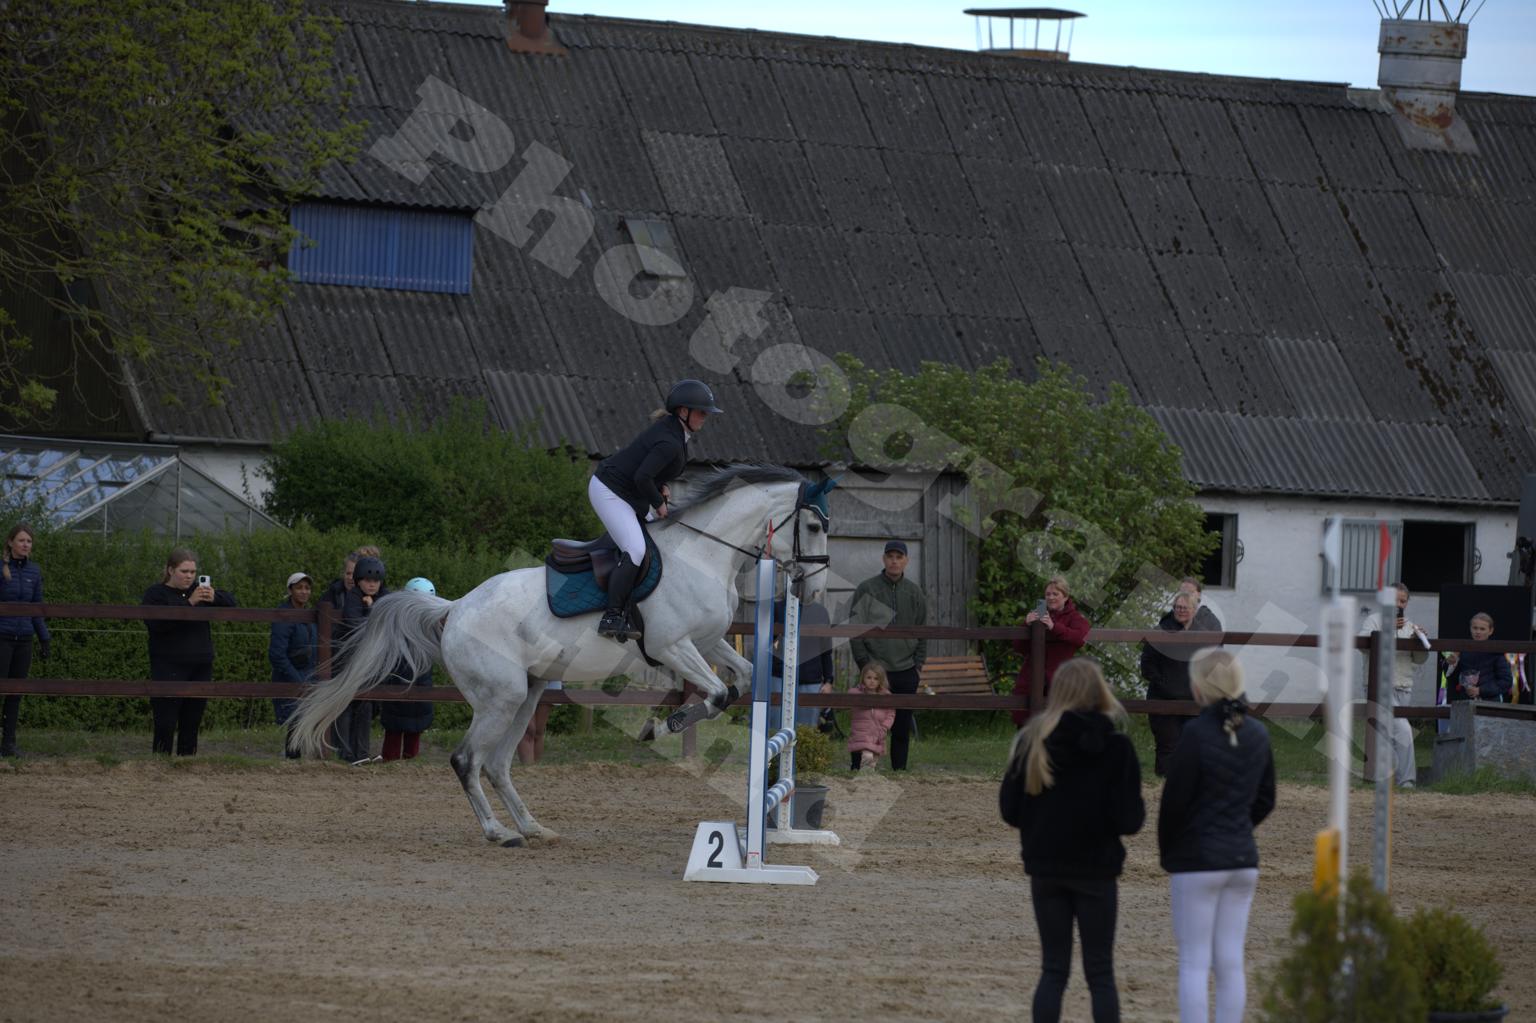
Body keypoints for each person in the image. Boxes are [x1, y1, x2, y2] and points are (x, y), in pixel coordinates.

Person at [1000, 657, 1145, 1023]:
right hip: (1096, 869)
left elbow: (1010, 810)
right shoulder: (1117, 748)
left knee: (1053, 970)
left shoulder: (1033, 741)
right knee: (1100, 972)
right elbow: (1131, 820)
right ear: (1100, 692)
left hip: (1046, 869)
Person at [1159, 648, 1276, 1023]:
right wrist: (1238, 827)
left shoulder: (1194, 734)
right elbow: (1266, 798)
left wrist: (1169, 852)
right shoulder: (1258, 733)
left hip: (1198, 861)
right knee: (1230, 961)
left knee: (1194, 961)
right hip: (1242, 859)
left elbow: (1174, 802)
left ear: (1199, 688)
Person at [589, 378, 722, 640]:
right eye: (701, 412)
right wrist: (659, 503)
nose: (705, 417)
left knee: (657, 542)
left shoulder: (675, 432)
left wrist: (660, 486)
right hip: (609, 491)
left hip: (628, 493)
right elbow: (642, 477)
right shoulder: (670, 441)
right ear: (683, 411)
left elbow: (648, 469)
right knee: (636, 549)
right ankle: (612, 615)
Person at [141, 548, 237, 756]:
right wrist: (190, 603)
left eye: (193, 572)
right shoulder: (156, 594)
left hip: (200, 664)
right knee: (165, 721)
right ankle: (160, 762)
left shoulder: (200, 591)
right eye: (184, 571)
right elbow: (157, 625)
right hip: (168, 664)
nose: (189, 576)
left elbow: (232, 603)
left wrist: (214, 596)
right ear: (170, 570)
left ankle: (187, 763)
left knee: (192, 721)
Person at [848, 540, 927, 770]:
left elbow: (923, 630)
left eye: (899, 557)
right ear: (883, 559)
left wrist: (918, 665)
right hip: (874, 669)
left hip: (905, 669)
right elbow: (855, 628)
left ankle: (899, 769)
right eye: (890, 556)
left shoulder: (914, 592)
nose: (894, 561)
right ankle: (858, 768)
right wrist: (865, 664)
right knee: (866, 722)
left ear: (906, 561)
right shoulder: (867, 588)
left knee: (901, 725)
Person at [1361, 582, 1430, 787]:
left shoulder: (1410, 626)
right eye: (1394, 600)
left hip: (1404, 687)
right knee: (1403, 731)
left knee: (1388, 734)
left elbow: (1419, 660)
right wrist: (1388, 627)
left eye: (1403, 601)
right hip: (1379, 686)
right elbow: (1362, 644)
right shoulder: (1374, 620)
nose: (1399, 604)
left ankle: (1383, 778)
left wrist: (1418, 641)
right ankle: (1407, 781)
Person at [1011, 575, 1091, 728]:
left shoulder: (1074, 617)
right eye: (1048, 594)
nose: (1051, 597)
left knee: (1057, 723)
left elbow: (1080, 638)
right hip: (1032, 674)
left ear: (1065, 597)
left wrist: (1054, 627)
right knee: (1026, 722)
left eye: (1055, 594)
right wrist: (1026, 624)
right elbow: (1018, 647)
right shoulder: (1039, 613)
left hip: (1059, 676)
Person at [332, 554, 388, 764]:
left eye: (376, 580)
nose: (372, 584)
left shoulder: (384, 596)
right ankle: (345, 754)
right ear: (358, 581)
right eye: (367, 580)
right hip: (348, 660)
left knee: (366, 705)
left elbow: (388, 623)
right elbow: (357, 625)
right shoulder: (353, 596)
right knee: (345, 705)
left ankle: (362, 753)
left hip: (370, 662)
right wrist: (371, 609)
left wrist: (371, 608)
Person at [0, 523, 49, 758]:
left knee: (16, 693)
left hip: (24, 639)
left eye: (29, 541)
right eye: (21, 540)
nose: (25, 545)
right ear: (11, 542)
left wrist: (44, 638)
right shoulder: (1, 569)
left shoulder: (34, 571)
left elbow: (37, 607)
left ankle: (8, 744)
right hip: (2, 637)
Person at [1141, 591, 1199, 777]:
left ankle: (1189, 783)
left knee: (1192, 744)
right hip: (1163, 698)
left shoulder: (1203, 633)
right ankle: (1164, 784)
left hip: (1194, 700)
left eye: (1185, 607)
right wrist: (1164, 684)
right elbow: (1147, 665)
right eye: (1177, 607)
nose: (1180, 610)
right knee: (1168, 744)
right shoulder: (1161, 631)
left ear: (1194, 609)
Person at [380, 576, 437, 762]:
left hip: (419, 682)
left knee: (414, 728)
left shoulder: (430, 625)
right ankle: (391, 761)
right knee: (395, 728)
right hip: (398, 681)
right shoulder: (397, 624)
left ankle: (408, 762)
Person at [772, 580, 835, 729]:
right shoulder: (777, 609)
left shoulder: (821, 612)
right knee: (776, 727)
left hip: (810, 679)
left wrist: (828, 681)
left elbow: (826, 649)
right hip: (779, 677)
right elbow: (767, 643)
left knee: (807, 729)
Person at [268, 571, 317, 759]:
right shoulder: (284, 615)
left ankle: (297, 757)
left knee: (303, 719)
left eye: (307, 588)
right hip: (290, 675)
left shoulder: (310, 614)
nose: (304, 592)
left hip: (308, 673)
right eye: (299, 588)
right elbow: (277, 654)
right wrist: (296, 678)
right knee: (296, 719)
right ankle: (292, 758)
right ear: (290, 590)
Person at [1445, 612, 1513, 703]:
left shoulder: (1496, 652)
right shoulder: (1462, 650)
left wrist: (1480, 690)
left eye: (1482, 629)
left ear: (1490, 631)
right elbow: (1451, 679)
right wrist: (1452, 663)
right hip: (1464, 702)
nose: (1478, 632)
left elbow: (1506, 681)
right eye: (1475, 628)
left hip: (1490, 703)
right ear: (1470, 628)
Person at [846, 662, 896, 771]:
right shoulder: (856, 693)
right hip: (861, 731)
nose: (872, 681)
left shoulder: (885, 695)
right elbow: (850, 695)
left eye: (876, 678)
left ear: (881, 680)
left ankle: (865, 774)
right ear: (863, 678)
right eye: (869, 677)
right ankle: (861, 772)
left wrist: (885, 726)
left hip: (878, 731)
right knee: (866, 755)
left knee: (873, 760)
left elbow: (891, 713)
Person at [517, 680, 561, 765]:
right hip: (525, 679)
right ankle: (528, 768)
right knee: (528, 730)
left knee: (538, 731)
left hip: (549, 680)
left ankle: (537, 768)